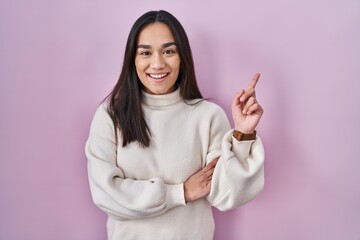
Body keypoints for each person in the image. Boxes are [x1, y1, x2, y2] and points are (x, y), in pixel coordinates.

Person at [85, 10, 265, 240]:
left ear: (182, 57)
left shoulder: (207, 116)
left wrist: (243, 133)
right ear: (133, 59)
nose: (157, 63)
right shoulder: (111, 115)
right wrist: (181, 192)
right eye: (146, 53)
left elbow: (227, 194)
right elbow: (106, 194)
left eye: (169, 51)